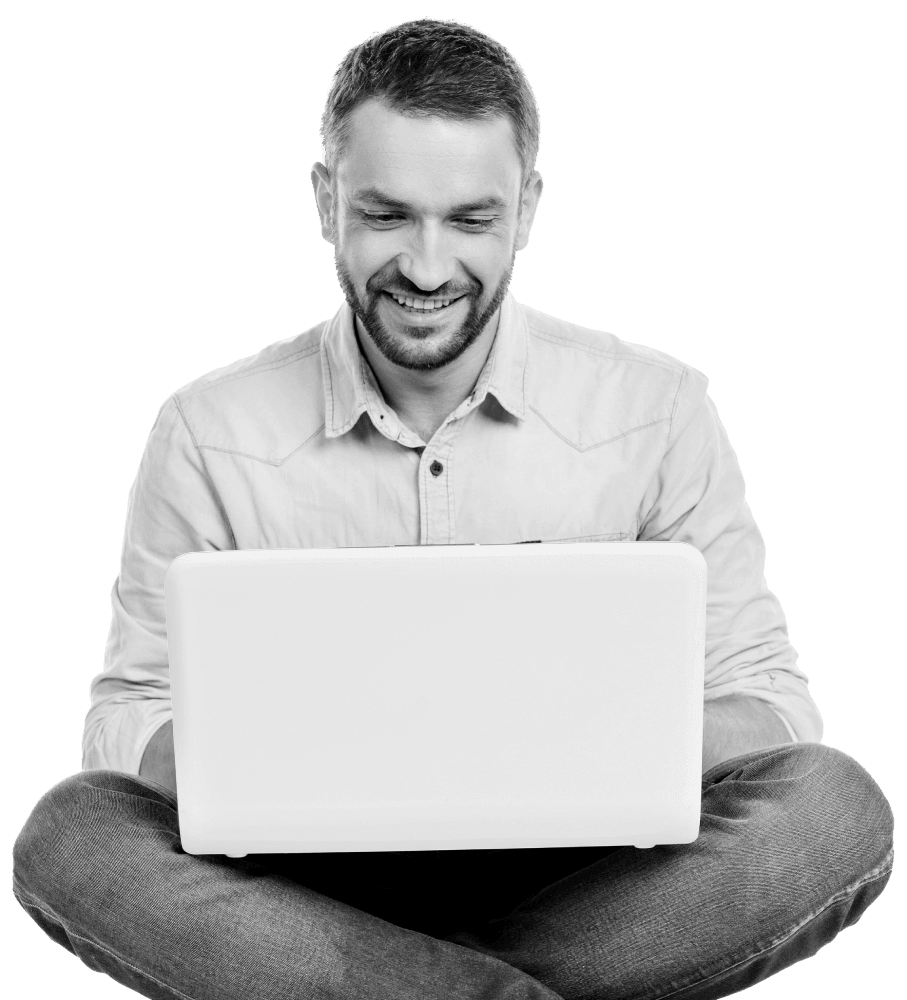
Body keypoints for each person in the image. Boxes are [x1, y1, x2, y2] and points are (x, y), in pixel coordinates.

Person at [12, 17, 893, 1000]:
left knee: (835, 807)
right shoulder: (206, 429)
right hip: (297, 884)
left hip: (589, 880)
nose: (428, 270)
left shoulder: (658, 409)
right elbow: (128, 717)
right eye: (386, 216)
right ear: (323, 201)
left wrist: (553, 746)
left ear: (526, 210)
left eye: (470, 221)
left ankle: (398, 989)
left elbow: (772, 706)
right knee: (74, 833)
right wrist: (315, 764)